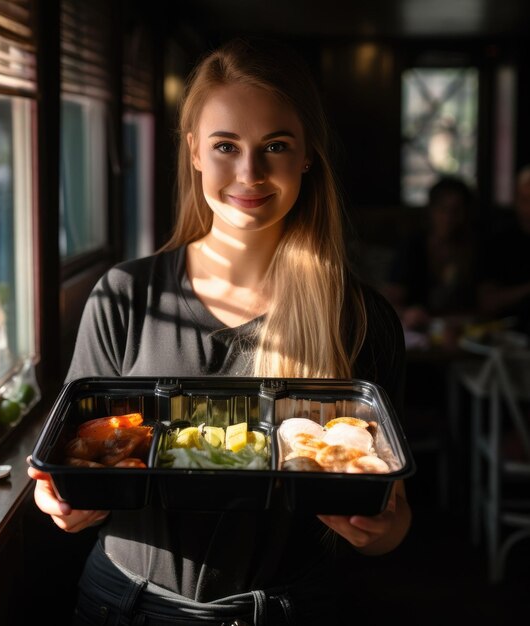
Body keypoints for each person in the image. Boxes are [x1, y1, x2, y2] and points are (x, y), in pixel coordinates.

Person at [27, 37, 411, 625]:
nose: (249, 172)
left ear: (307, 154)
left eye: (275, 146)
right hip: (121, 607)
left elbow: (394, 523)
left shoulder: (360, 318)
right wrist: (57, 497)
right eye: (226, 145)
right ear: (194, 153)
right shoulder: (125, 297)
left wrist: (379, 531)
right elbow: (72, 458)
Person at [382, 176, 479, 344]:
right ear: (431, 211)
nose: (449, 218)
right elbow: (388, 302)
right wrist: (408, 313)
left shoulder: (474, 248)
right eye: (443, 210)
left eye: (456, 211)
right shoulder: (413, 248)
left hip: (464, 334)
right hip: (421, 336)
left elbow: (483, 303)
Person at [477, 164, 530, 335]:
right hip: (509, 336)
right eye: (525, 200)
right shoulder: (500, 243)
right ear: (516, 201)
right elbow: (488, 302)